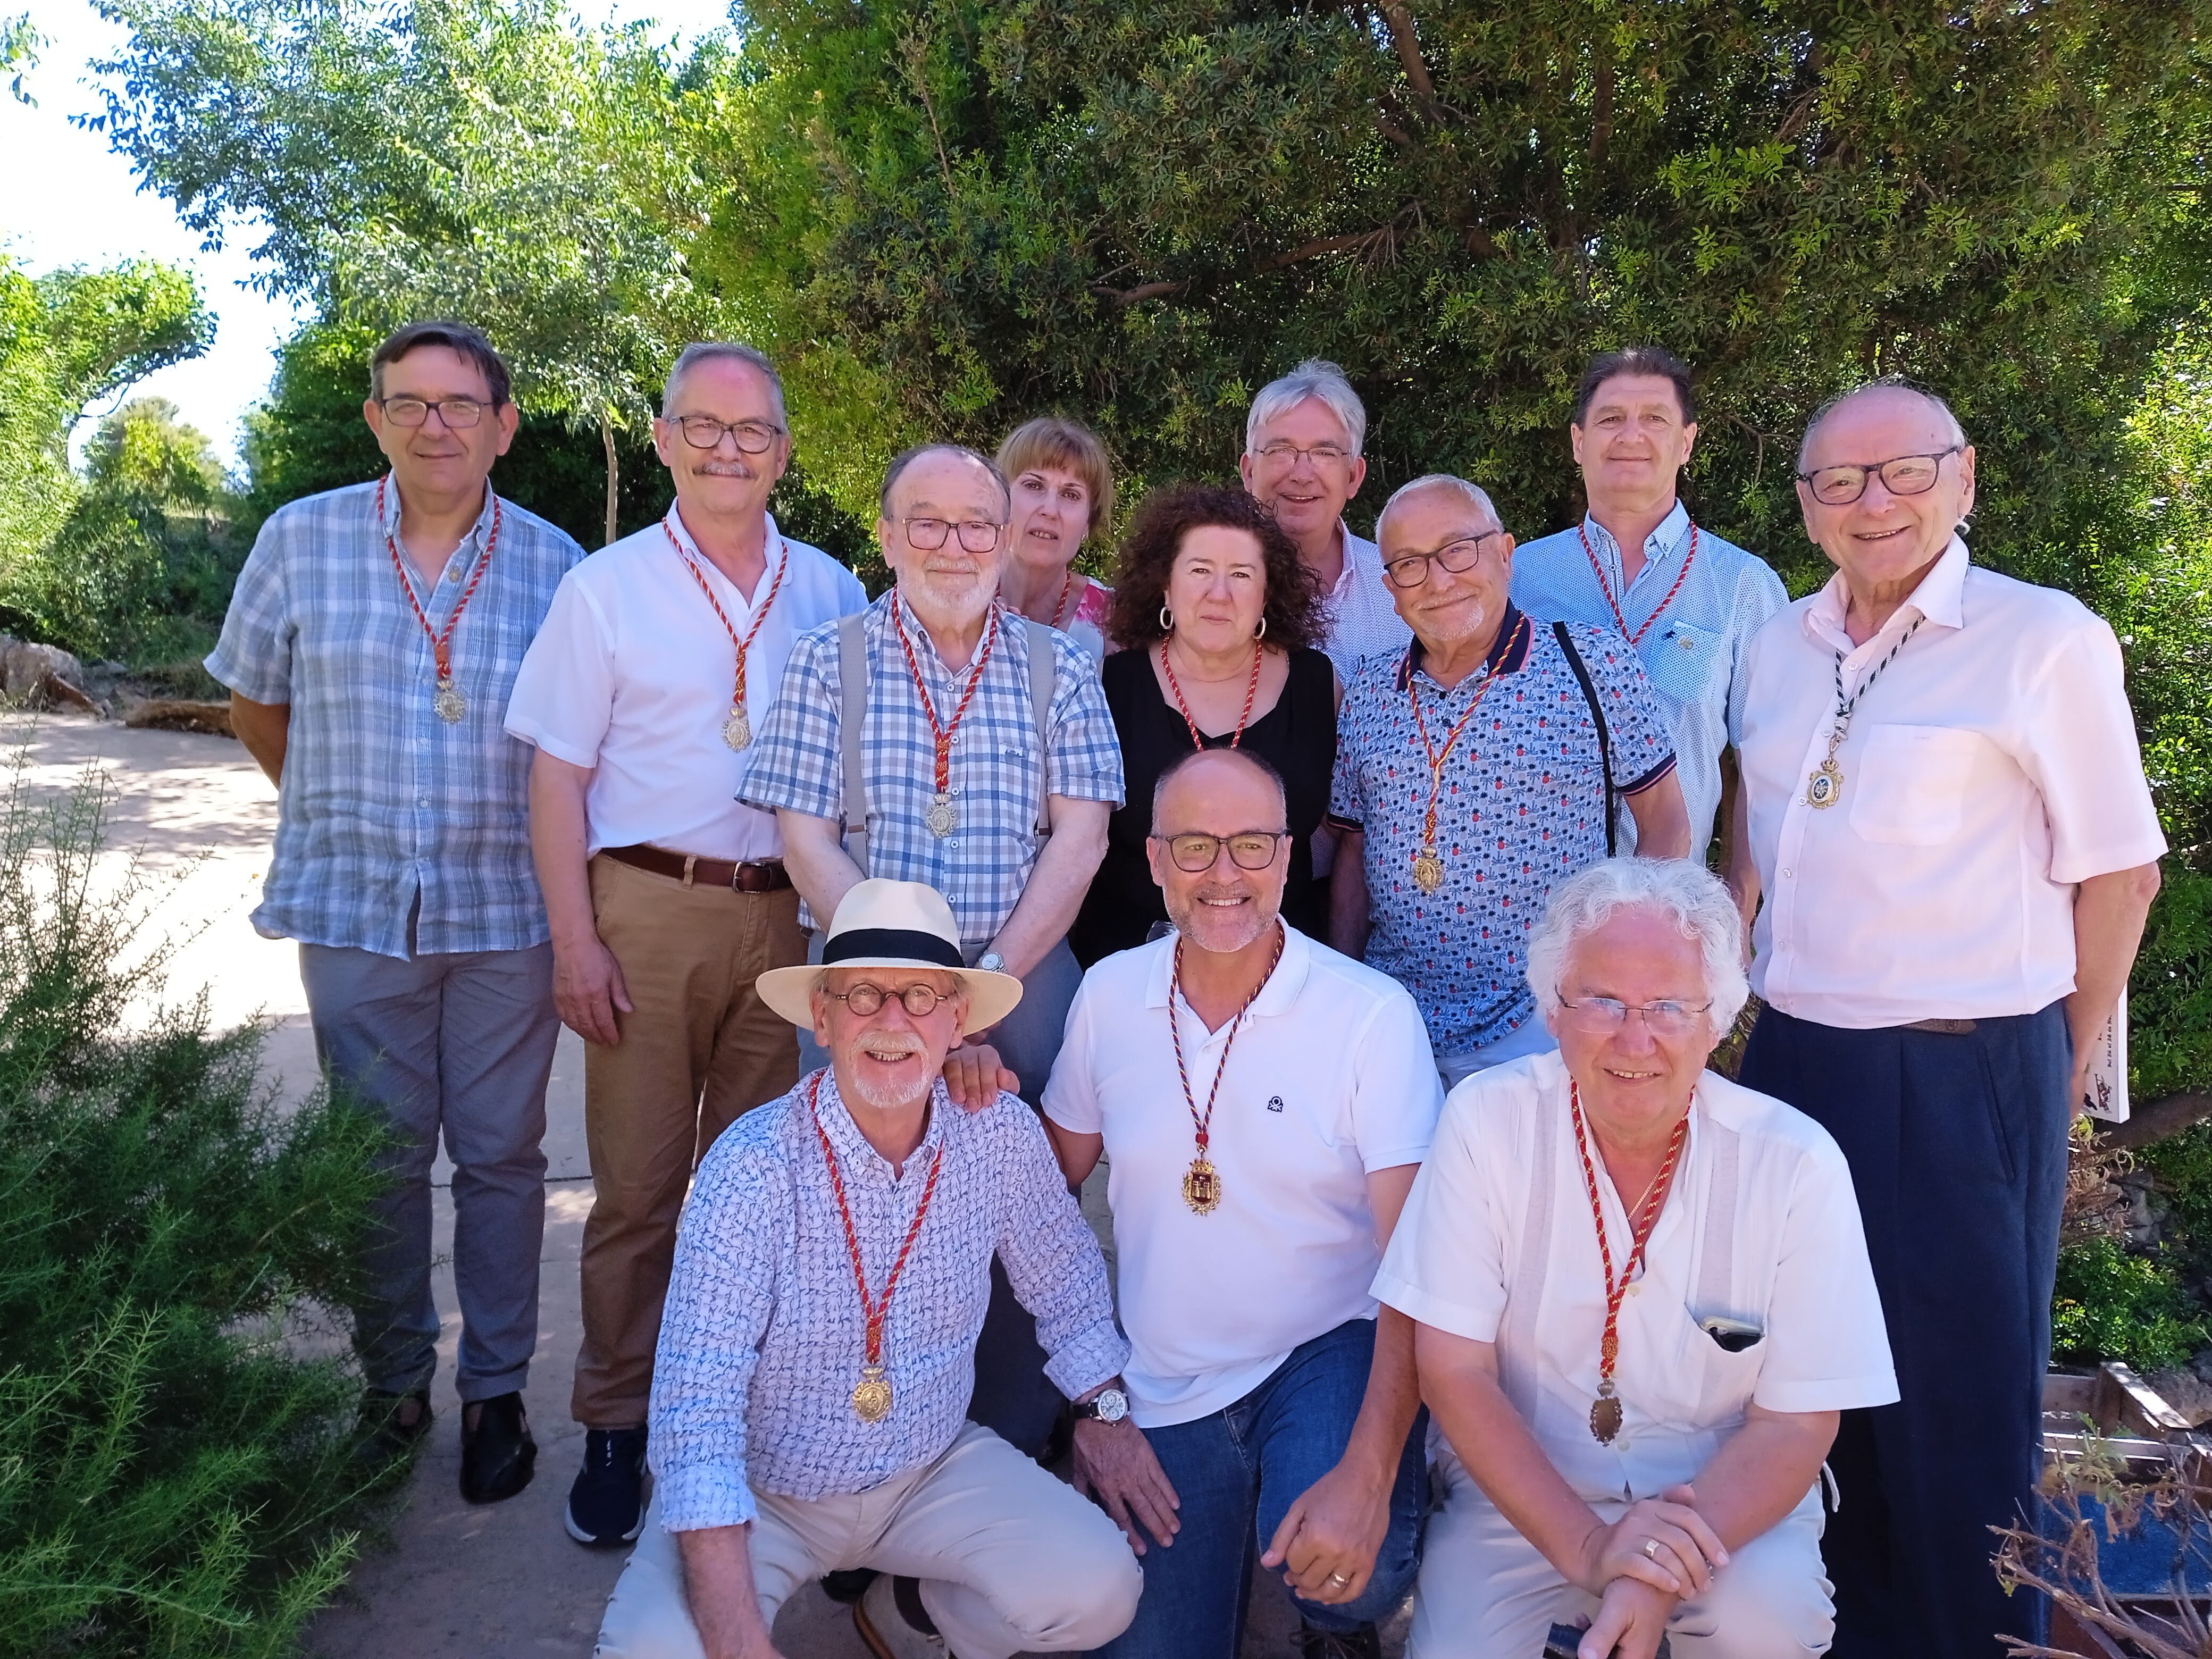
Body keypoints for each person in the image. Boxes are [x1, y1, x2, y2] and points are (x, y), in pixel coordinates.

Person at [1731, 379, 2166, 1659]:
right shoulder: (1777, 644)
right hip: (1796, 1058)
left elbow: (2122, 874)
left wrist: (2051, 1066)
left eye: (1903, 472)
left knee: (1958, 1426)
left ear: (1963, 476)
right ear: (1806, 505)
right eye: (1839, 481)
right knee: (1815, 1395)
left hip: (1961, 1065)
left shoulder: (2043, 638)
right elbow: (1756, 837)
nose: (1873, 503)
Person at [207, 319, 583, 1504]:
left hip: (503, 910)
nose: (435, 425)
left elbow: (577, 749)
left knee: (503, 1159)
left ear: (505, 427)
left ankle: (495, 1397)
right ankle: (392, 1388)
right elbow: (257, 709)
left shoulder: (557, 564)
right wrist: (333, 812)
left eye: (461, 405)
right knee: (370, 1161)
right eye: (409, 403)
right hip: (354, 905)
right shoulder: (299, 540)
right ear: (374, 417)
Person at [504, 342, 869, 1547]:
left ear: (782, 447)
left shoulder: (825, 588)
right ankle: (614, 1421)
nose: (727, 447)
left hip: (785, 916)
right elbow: (557, 778)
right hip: (645, 912)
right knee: (640, 1189)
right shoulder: (606, 588)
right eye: (701, 426)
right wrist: (575, 941)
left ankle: (724, 1421)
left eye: (752, 428)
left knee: (758, 1189)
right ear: (661, 438)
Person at [590, 879, 1142, 1659]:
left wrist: (1105, 1412)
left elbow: (1067, 1282)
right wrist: (739, 1642)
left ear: (959, 1021)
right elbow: (696, 1414)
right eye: (864, 995)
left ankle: (912, 1615)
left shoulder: (998, 1136)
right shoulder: (752, 1169)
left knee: (1100, 1590)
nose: (892, 1021)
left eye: (920, 995)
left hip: (930, 1470)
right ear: (821, 1016)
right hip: (765, 1492)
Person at [1375, 857, 1898, 1659]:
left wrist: (1648, 1571)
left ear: (1718, 1018)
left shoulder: (1796, 1163)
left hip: (1726, 1507)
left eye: (1668, 1007)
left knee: (1766, 1623)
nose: (1635, 1037)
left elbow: (1796, 1423)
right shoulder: (1486, 1123)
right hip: (1524, 1499)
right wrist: (1589, 1549)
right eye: (1602, 1001)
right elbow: (1453, 1371)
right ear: (1552, 1008)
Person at [742, 442, 1124, 1461]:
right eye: (928, 521)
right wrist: (904, 987)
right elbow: (804, 836)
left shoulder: (1064, 670)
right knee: (848, 1222)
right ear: (886, 533)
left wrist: (984, 984)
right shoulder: (830, 659)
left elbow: (1082, 836)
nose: (953, 545)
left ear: (1003, 541)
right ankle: (845, 1444)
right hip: (865, 986)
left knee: (1024, 1214)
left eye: (974, 526)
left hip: (1024, 976)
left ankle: (1004, 1432)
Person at [1045, 747, 1440, 1659]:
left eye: (1253, 847)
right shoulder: (1108, 997)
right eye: (1194, 847)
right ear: (1151, 861)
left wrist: (1372, 1477)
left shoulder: (1369, 1017)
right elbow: (1041, 1201)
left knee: (1353, 1579)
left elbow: (1422, 1272)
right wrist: (1096, 1406)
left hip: (1325, 1348)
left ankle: (1323, 1595)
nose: (1225, 875)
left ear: (1290, 854)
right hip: (1164, 1379)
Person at [1328, 473, 1692, 1088]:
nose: (1438, 580)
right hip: (1392, 1022)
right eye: (1410, 565)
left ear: (1504, 553)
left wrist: (1609, 982)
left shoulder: (1591, 663)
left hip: (1541, 1024)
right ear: (1389, 590)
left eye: (1456, 550)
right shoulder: (1369, 688)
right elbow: (1353, 850)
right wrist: (1338, 993)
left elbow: (1666, 824)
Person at [1510, 346, 1787, 868]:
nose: (1630, 435)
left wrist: (1735, 905)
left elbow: (1764, 768)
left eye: (1654, 419)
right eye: (1610, 418)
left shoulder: (1742, 586)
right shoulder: (1519, 578)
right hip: (1533, 906)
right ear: (1578, 442)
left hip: (1672, 907)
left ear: (1686, 443)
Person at [1070, 484, 1336, 965]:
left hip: (1285, 965)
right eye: (1199, 572)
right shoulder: (1111, 684)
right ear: (1166, 586)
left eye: (1241, 574)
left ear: (1266, 592)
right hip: (1126, 962)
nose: (1220, 593)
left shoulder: (1318, 685)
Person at [1239, 359, 1410, 680]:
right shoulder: (1208, 589)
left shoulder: (1402, 585)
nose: (1302, 475)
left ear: (1354, 476)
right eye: (1280, 451)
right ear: (1249, 471)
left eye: (1325, 454)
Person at [994, 415, 1117, 660]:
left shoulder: (1113, 622)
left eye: (1071, 495)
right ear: (998, 500)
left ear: (1088, 523)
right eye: (1034, 486)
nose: (1050, 510)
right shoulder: (961, 596)